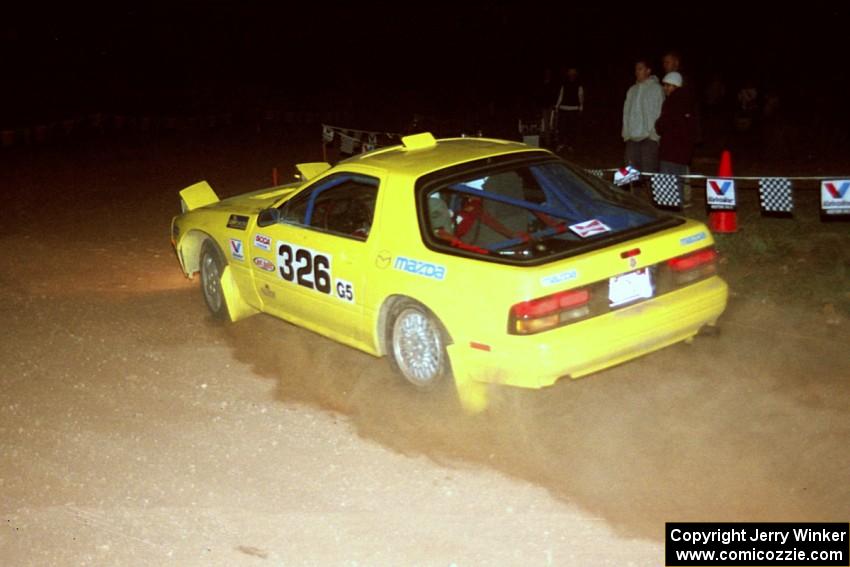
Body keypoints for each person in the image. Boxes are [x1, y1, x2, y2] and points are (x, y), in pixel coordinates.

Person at [655, 71, 698, 206]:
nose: (665, 88)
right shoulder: (690, 101)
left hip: (670, 149)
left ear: (675, 86)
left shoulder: (671, 102)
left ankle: (670, 207)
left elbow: (662, 124)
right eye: (664, 85)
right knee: (678, 179)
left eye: (668, 85)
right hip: (684, 151)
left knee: (667, 180)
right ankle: (677, 206)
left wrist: (658, 124)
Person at [622, 58, 663, 173]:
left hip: (649, 137)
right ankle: (632, 192)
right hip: (632, 137)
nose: (637, 72)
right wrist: (626, 133)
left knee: (648, 172)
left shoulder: (656, 89)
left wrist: (654, 135)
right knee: (630, 171)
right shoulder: (632, 90)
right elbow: (626, 112)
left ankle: (650, 191)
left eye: (640, 69)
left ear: (648, 70)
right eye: (636, 69)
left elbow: (659, 111)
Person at [555, 66, 584, 152]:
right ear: (568, 74)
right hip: (563, 108)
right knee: (561, 128)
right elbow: (561, 95)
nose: (571, 75)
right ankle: (561, 144)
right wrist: (557, 106)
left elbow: (581, 95)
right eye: (570, 73)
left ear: (575, 74)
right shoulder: (564, 83)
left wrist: (581, 106)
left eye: (573, 73)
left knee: (572, 128)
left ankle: (570, 145)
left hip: (574, 109)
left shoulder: (579, 84)